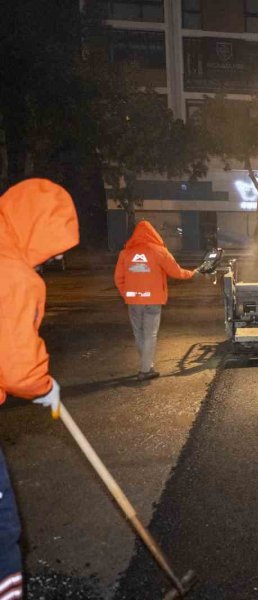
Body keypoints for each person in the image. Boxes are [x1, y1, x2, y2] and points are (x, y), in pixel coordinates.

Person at [0, 179, 80, 600]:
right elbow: (16, 366)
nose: (59, 255)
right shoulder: (14, 275)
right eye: (57, 244)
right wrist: (43, 386)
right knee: (2, 531)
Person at [115, 221, 197, 381]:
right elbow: (176, 272)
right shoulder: (159, 251)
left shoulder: (125, 253)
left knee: (138, 333)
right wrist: (192, 274)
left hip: (133, 301)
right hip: (153, 300)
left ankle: (147, 364)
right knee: (150, 334)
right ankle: (145, 370)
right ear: (153, 234)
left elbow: (118, 279)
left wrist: (128, 295)